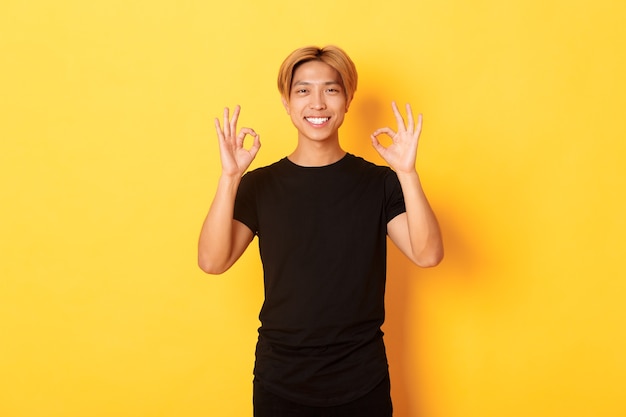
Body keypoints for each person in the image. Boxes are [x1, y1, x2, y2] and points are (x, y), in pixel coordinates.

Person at [198, 45, 443, 417]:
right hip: (280, 380)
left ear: (347, 100)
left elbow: (428, 254)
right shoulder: (260, 185)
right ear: (286, 101)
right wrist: (230, 178)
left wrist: (407, 174)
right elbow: (212, 261)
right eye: (303, 90)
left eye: (331, 89)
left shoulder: (379, 183)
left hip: (362, 379)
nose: (317, 103)